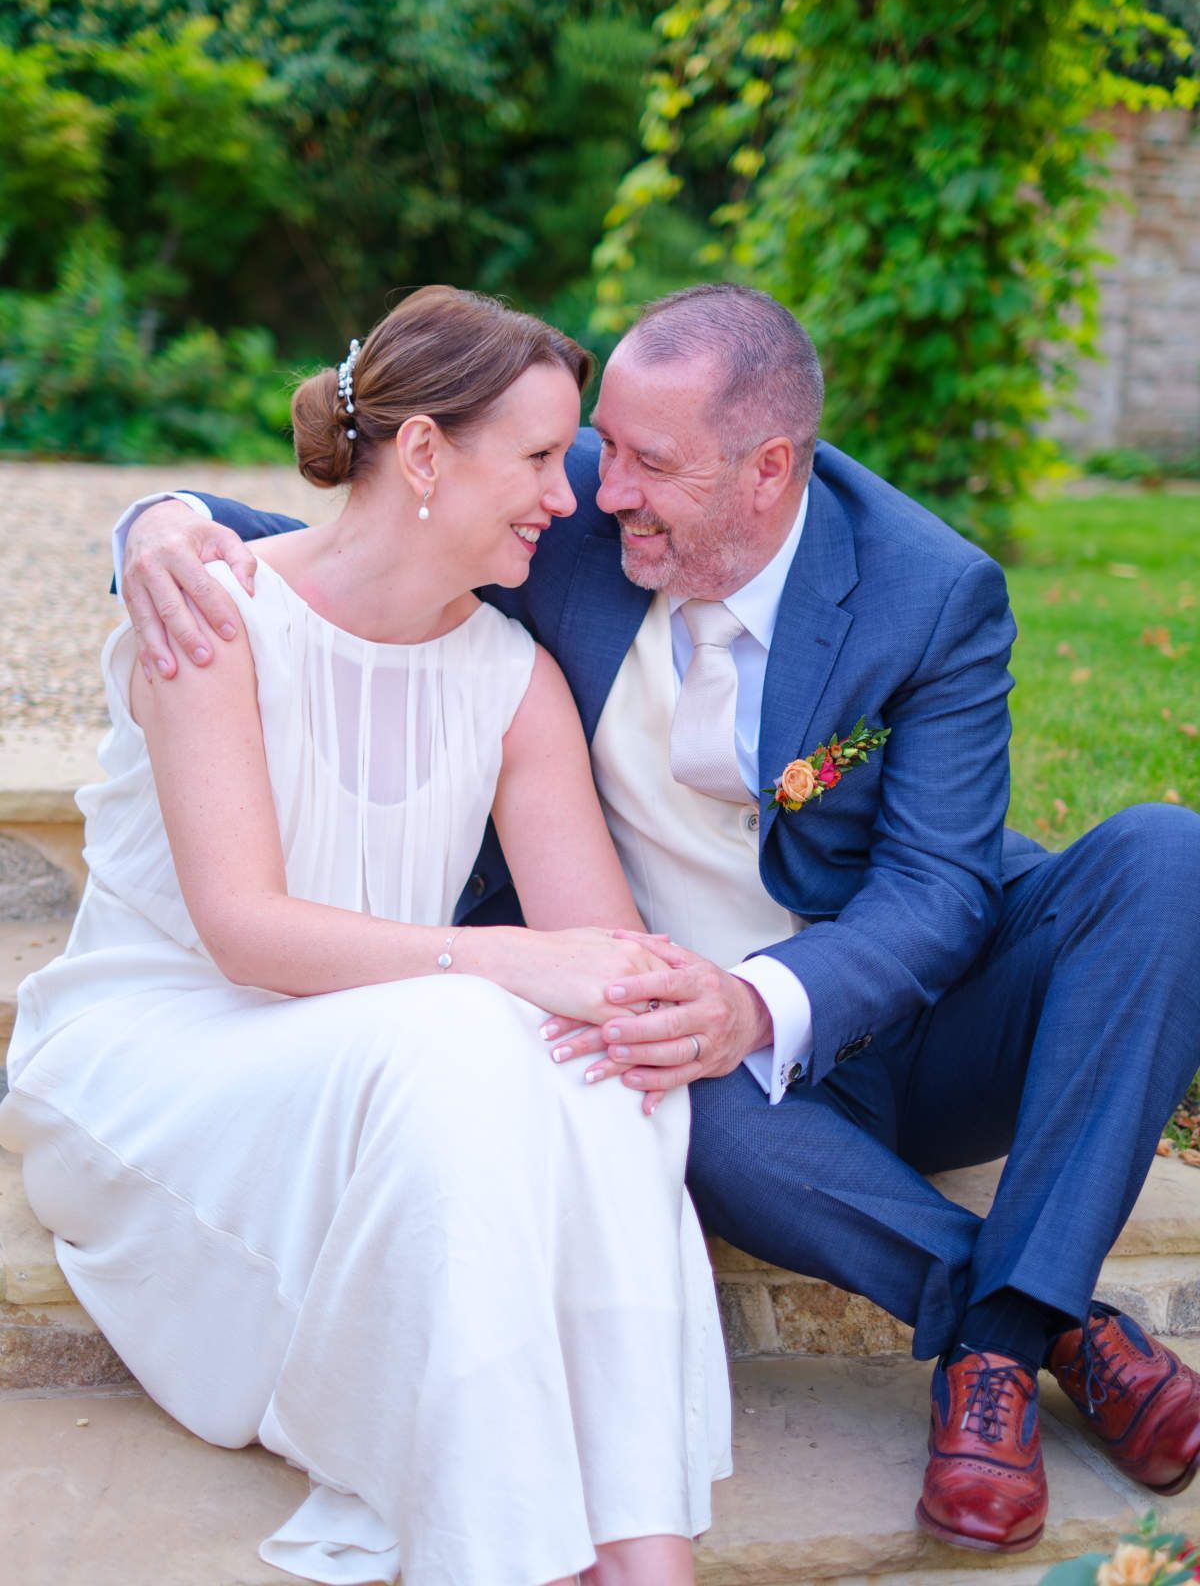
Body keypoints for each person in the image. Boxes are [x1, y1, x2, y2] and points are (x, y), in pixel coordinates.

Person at [118, 281, 1200, 1559]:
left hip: (910, 1002)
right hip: (700, 1043)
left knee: (1167, 857)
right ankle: (1029, 1336)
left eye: (647, 462)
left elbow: (940, 893)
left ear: (769, 471)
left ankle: (1007, 1329)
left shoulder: (930, 593)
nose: (599, 486)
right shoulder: (568, 505)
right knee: (649, 1077)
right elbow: (351, 532)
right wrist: (157, 520)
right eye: (600, 448)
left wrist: (758, 1001)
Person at [0, 285, 733, 1586]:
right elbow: (241, 932)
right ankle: (503, 1550)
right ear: (425, 453)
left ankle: (641, 1547)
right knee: (468, 1029)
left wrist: (665, 997)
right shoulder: (215, 616)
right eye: (536, 460)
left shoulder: (512, 679)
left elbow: (604, 962)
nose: (564, 501)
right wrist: (509, 964)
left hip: (387, 1056)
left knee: (606, 1078)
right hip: (167, 1055)